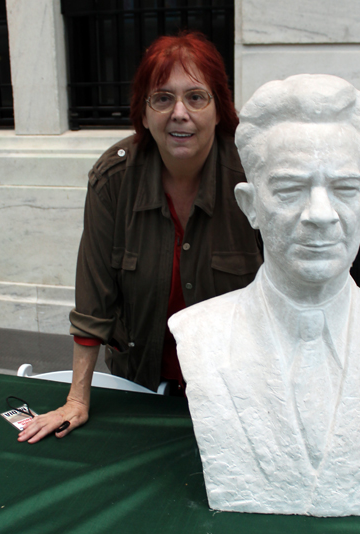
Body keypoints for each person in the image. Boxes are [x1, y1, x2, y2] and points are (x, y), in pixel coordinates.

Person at [168, 74, 360, 516]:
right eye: (290, 189)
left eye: (344, 189)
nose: (320, 215)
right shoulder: (201, 333)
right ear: (250, 205)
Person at [18, 32, 262, 444]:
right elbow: (94, 301)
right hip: (140, 386)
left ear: (220, 110)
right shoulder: (114, 178)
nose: (179, 113)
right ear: (143, 113)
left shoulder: (256, 177)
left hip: (241, 391)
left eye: (197, 97)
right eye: (162, 98)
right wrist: (77, 399)